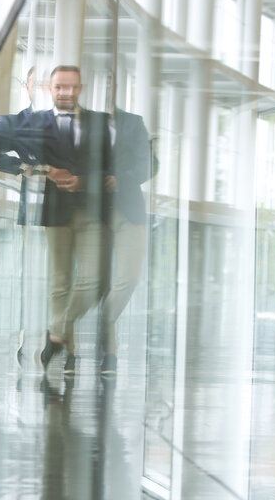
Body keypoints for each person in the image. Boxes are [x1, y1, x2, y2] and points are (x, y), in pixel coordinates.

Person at [7, 65, 111, 375]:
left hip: (92, 209)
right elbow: (17, 158)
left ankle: (56, 332)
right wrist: (48, 171)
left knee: (95, 280)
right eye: (59, 87)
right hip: (54, 209)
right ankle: (69, 352)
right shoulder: (35, 122)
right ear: (49, 89)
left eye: (72, 87)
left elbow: (112, 165)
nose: (66, 93)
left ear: (81, 88)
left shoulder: (101, 123)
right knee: (60, 282)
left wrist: (83, 180)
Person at [99, 108, 156, 374]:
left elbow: (150, 163)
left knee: (129, 278)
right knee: (89, 281)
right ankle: (109, 352)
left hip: (128, 210)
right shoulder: (77, 121)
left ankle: (104, 320)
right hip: (90, 211)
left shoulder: (133, 123)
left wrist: (121, 179)